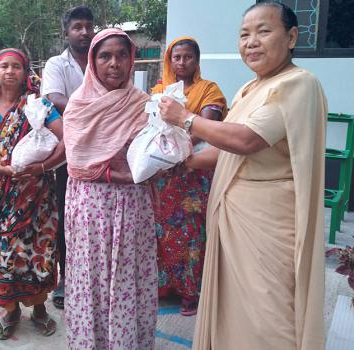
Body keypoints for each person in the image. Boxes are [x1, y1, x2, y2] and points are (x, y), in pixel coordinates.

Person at [159, 2, 326, 349]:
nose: (251, 42)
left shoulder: (298, 83)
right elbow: (226, 147)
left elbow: (246, 139)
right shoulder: (250, 90)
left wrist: (185, 119)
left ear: (292, 36)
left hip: (268, 220)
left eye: (264, 31)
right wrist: (186, 160)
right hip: (233, 217)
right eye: (244, 34)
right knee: (234, 308)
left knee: (270, 311)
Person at [63, 28, 157, 349]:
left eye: (121, 55)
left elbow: (154, 155)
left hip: (132, 206)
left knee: (129, 273)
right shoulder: (78, 105)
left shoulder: (144, 104)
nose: (114, 63)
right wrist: (123, 175)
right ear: (92, 61)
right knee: (92, 277)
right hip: (91, 205)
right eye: (105, 56)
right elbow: (78, 163)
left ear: (132, 60)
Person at [0, 48, 64, 340]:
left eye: (16, 67)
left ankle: (38, 310)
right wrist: (1, 170)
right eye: (4, 66)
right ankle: (10, 311)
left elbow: (66, 139)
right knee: (6, 253)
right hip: (1, 195)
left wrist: (43, 166)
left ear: (26, 73)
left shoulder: (40, 105)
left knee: (39, 251)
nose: (10, 71)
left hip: (38, 195)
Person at [150, 37, 227, 316]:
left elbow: (207, 124)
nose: (182, 62)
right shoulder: (159, 91)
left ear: (197, 61)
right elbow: (150, 126)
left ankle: (190, 293)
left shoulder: (209, 90)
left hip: (193, 172)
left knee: (193, 232)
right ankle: (163, 287)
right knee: (162, 232)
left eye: (188, 57)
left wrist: (178, 148)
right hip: (164, 174)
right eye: (176, 57)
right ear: (170, 60)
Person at [41, 5, 95, 310]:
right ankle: (65, 278)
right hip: (69, 154)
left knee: (97, 217)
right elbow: (54, 98)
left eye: (89, 26)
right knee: (67, 216)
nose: (85, 32)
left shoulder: (103, 57)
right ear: (67, 32)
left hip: (105, 150)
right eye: (78, 27)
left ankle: (93, 276)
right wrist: (96, 106)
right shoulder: (56, 64)